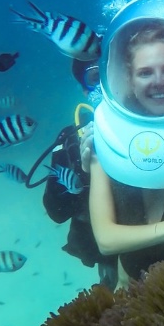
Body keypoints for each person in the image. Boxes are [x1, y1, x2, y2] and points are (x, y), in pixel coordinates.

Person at [85, 21, 164, 287]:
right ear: (128, 79)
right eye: (145, 73)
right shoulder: (107, 136)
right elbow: (106, 240)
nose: (158, 82)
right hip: (127, 293)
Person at [39, 58, 117, 289]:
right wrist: (83, 172)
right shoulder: (71, 139)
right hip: (104, 249)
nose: (105, 85)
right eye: (95, 78)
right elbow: (56, 213)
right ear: (85, 89)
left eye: (112, 73)